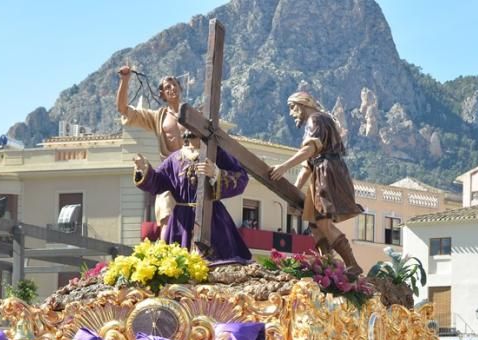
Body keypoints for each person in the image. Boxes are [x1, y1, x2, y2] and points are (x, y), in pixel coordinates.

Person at [268, 91, 364, 273]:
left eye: (292, 107)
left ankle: (352, 264)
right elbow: (307, 165)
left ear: (303, 104)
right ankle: (327, 264)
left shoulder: (316, 119)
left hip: (327, 173)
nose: (291, 113)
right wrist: (295, 189)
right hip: (321, 172)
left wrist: (284, 166)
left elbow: (310, 150)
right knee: (314, 223)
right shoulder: (321, 121)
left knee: (322, 223)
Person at [133, 127, 252, 261]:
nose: (190, 130)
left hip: (212, 218)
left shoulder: (216, 154)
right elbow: (158, 182)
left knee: (216, 264)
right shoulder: (175, 159)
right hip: (181, 221)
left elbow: (241, 178)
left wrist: (216, 173)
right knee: (176, 266)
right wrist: (144, 170)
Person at [116, 65, 183, 229]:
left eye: (174, 84)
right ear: (162, 94)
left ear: (180, 88)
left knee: (195, 222)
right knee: (166, 216)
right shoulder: (157, 117)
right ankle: (164, 252)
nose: (172, 88)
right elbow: (123, 109)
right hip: (170, 175)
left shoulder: (193, 115)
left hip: (191, 174)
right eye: (167, 87)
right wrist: (125, 80)